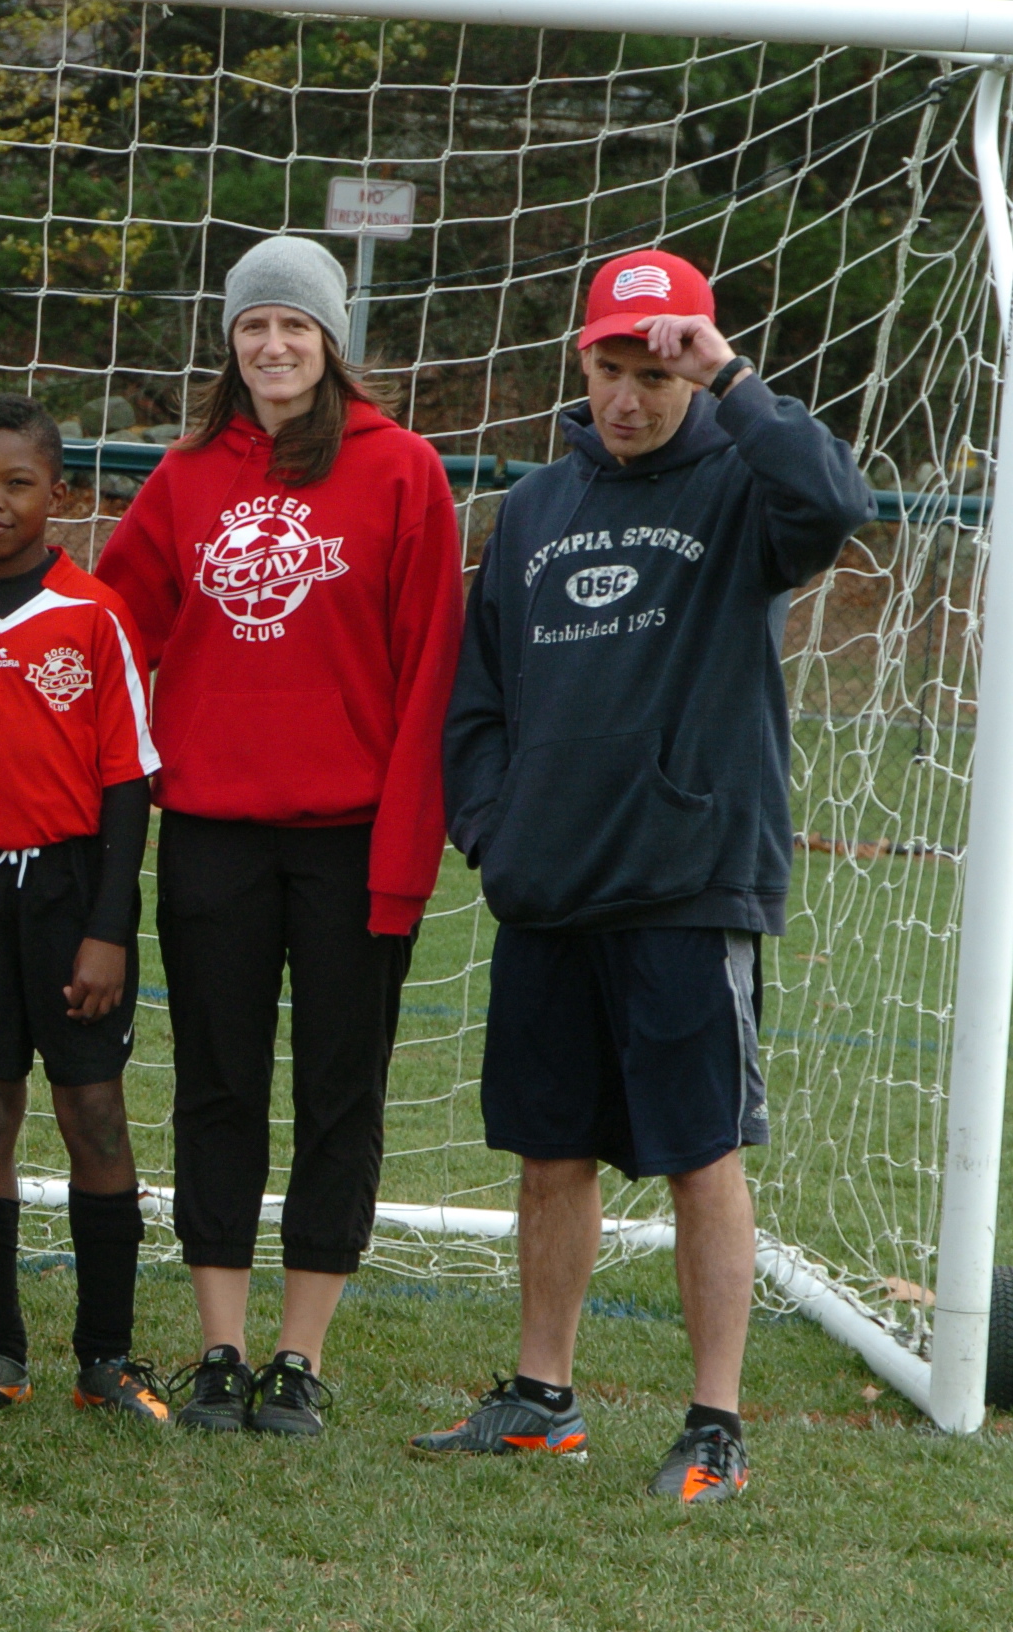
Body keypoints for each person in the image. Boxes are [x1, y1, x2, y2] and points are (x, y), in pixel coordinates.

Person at [415, 249, 873, 1502]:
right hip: (550, 885)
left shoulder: (742, 484)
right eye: (610, 370)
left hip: (687, 882)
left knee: (699, 1153)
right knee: (546, 1149)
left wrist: (729, 378)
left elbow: (834, 501)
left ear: (692, 372)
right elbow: (480, 697)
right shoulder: (534, 508)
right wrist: (496, 830)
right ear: (583, 364)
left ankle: (714, 1424)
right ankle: (540, 1398)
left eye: (655, 374)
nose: (628, 398)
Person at [94, 234, 464, 1436]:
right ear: (230, 341)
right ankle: (221, 1347)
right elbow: (110, 629)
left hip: (352, 839)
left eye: (294, 324)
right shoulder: (186, 476)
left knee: (338, 1094)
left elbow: (430, 673)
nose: (272, 344)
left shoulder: (401, 470)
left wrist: (404, 861)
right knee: (216, 1085)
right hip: (212, 833)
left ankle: (298, 1356)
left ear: (331, 339)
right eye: (253, 324)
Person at [0, 394, 163, 1422]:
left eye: (16, 483)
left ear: (58, 493)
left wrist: (107, 930)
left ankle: (107, 1355)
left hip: (69, 891)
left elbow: (129, 785)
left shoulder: (96, 614)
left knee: (93, 1110)